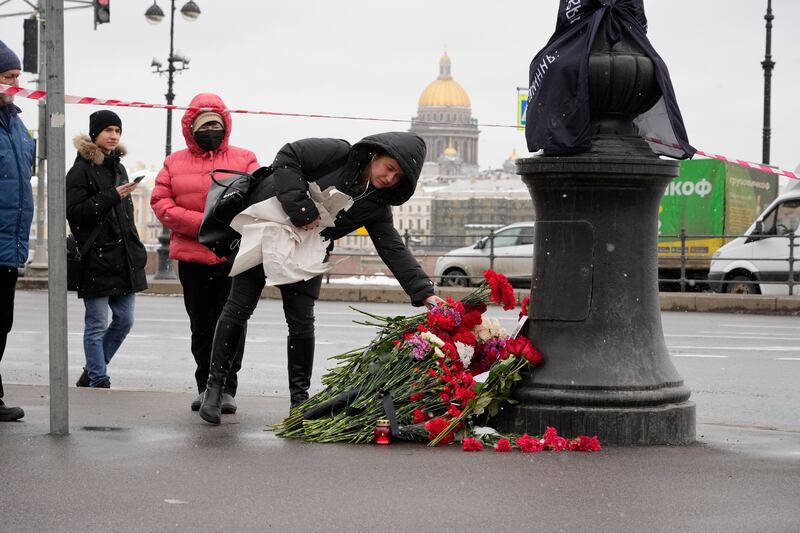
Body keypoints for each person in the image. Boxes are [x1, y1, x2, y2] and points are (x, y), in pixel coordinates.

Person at [198, 131, 445, 424]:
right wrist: (302, 209)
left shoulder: (377, 206)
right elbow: (288, 155)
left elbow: (392, 248)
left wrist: (425, 292)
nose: (390, 178)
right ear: (376, 154)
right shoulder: (337, 154)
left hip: (307, 252)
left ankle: (299, 401)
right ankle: (214, 388)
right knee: (238, 308)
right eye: (389, 168)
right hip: (267, 231)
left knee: (302, 322)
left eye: (399, 177)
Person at [151, 93, 259, 413]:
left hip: (233, 256)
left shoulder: (245, 158)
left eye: (216, 123)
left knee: (234, 323)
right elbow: (161, 204)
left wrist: (227, 227)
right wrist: (205, 225)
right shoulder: (174, 162)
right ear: (191, 128)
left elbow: (259, 196)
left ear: (226, 125)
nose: (211, 128)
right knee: (201, 325)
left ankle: (226, 389)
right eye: (204, 124)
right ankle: (204, 385)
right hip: (193, 258)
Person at [66, 110, 148, 388]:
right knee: (96, 323)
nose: (113, 136)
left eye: (117, 131)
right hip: (96, 257)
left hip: (123, 256)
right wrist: (111, 196)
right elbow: (75, 213)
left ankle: (91, 370)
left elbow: (125, 215)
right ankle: (99, 379)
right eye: (108, 130)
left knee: (125, 320)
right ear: (95, 134)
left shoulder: (120, 168)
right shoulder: (79, 171)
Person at [0, 41, 34, 421]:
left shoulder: (18, 124)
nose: (15, 83)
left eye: (17, 77)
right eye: (8, 76)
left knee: (1, 326)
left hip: (10, 246)